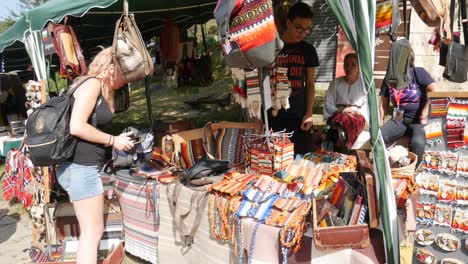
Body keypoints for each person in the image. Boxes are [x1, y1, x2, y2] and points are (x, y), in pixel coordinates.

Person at [55, 47, 135, 264]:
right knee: (92, 233)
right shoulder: (92, 84)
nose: (126, 80)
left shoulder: (97, 87)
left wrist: (115, 138)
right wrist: (113, 141)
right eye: (124, 74)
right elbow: (77, 127)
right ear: (111, 68)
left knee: (90, 232)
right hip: (80, 168)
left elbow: (90, 127)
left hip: (80, 167)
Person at [269, 2, 320, 155]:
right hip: (273, 115)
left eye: (307, 29)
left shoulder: (308, 50)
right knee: (274, 161)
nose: (303, 33)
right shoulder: (271, 47)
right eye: (299, 27)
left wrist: (309, 113)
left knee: (304, 159)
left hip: (299, 117)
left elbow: (310, 84)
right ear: (288, 22)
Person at [379, 47, 438, 167]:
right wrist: (381, 123)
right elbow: (383, 103)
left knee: (418, 143)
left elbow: (435, 90)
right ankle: (384, 169)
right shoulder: (389, 78)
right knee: (379, 137)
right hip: (398, 120)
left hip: (417, 120)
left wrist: (424, 113)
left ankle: (413, 172)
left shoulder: (418, 72)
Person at [323, 53, 368, 150]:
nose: (349, 68)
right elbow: (328, 103)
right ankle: (341, 141)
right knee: (342, 119)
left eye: (353, 65)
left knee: (344, 120)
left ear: (359, 67)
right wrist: (340, 111)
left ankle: (339, 142)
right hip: (338, 113)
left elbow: (367, 107)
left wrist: (354, 111)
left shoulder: (365, 85)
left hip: (356, 116)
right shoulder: (335, 83)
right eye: (346, 65)